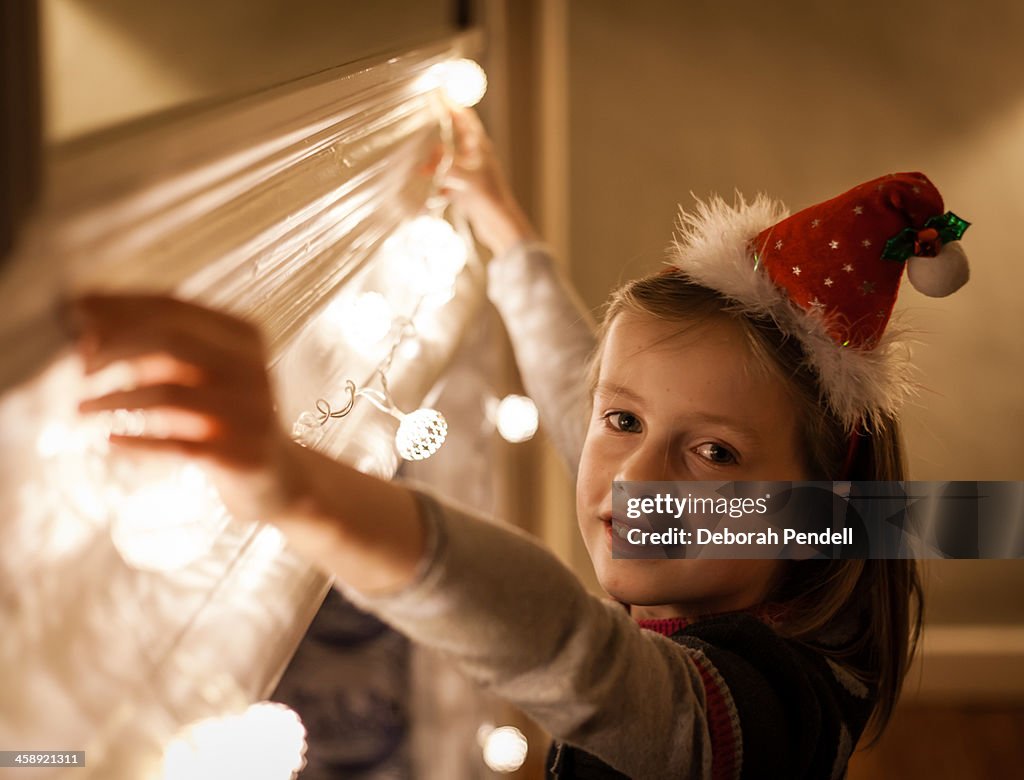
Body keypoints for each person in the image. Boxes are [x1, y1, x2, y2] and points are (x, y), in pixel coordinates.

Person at [69, 109, 973, 778]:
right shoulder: (735, 551)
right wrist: (510, 243)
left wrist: (294, 484)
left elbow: (568, 650)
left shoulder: (770, 715)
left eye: (716, 455)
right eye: (626, 422)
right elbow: (591, 407)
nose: (635, 480)